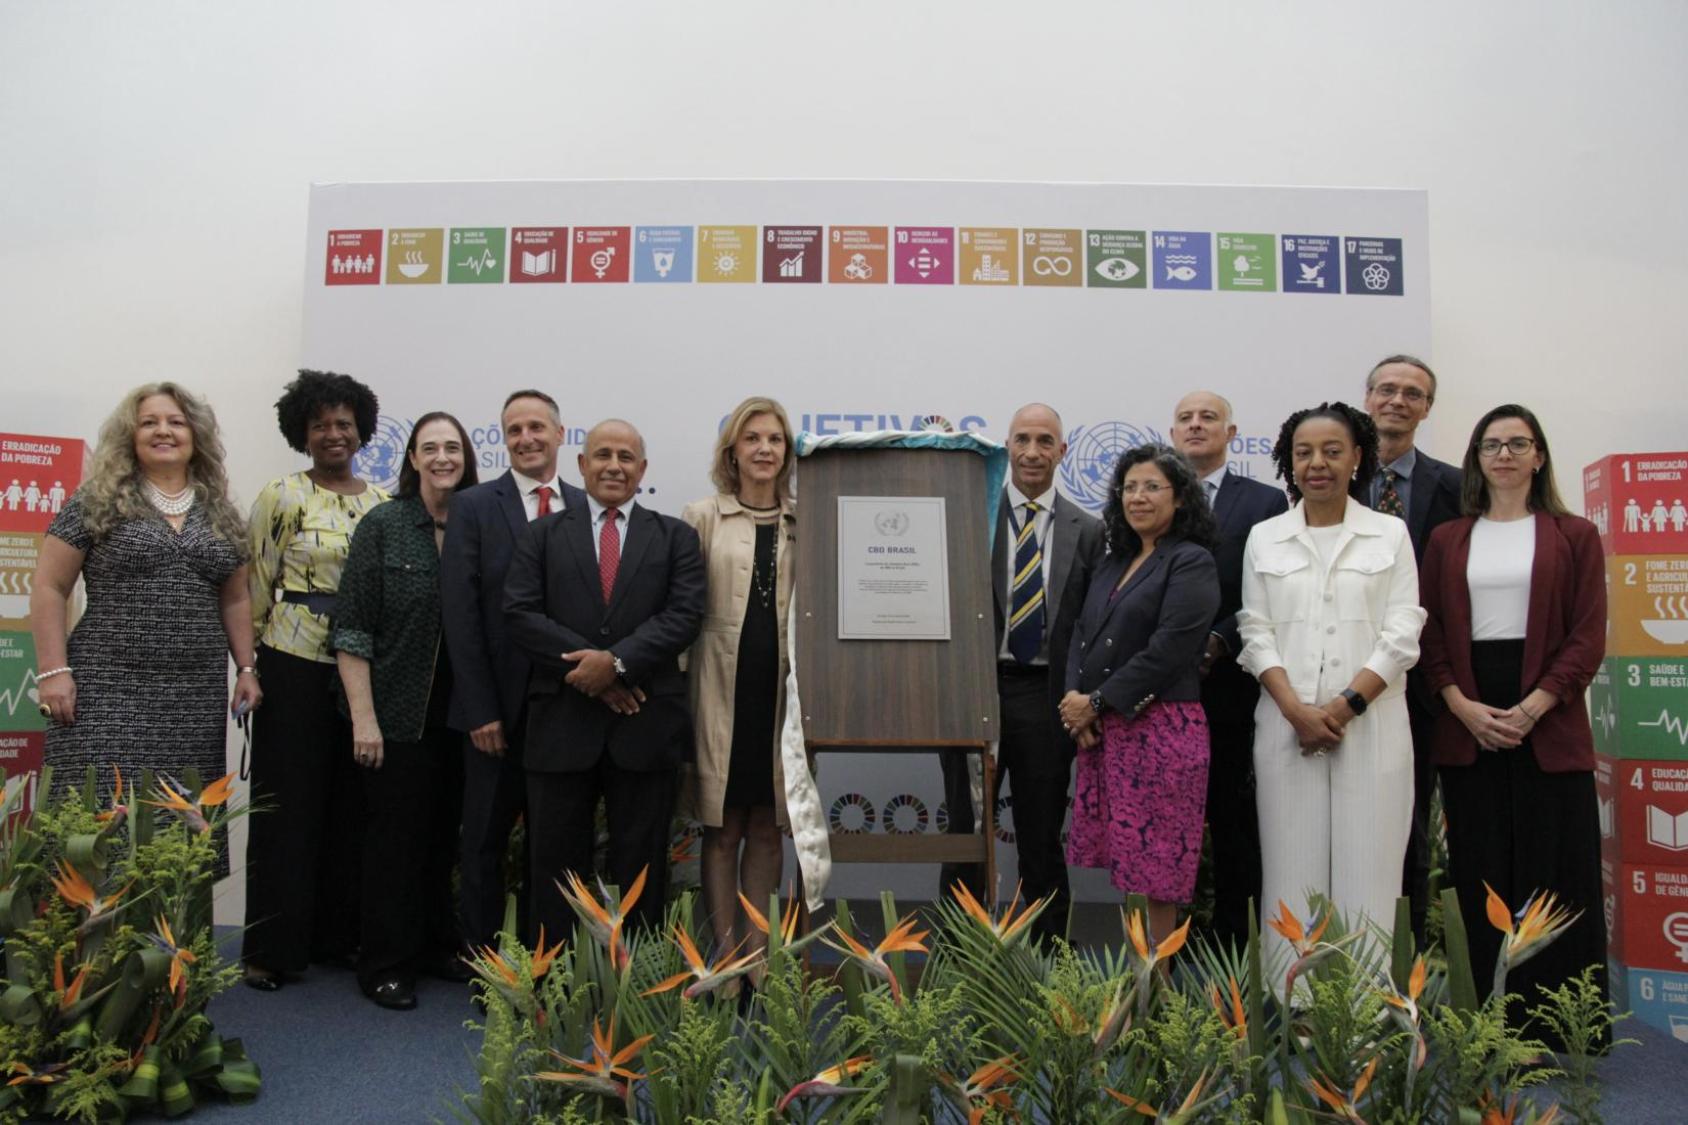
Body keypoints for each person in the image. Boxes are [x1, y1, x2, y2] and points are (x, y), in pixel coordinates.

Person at [1418, 405, 1606, 1031]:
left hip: (1546, 716)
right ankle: (1486, 1022)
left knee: (1558, 871)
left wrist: (1535, 705)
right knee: (1481, 869)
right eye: (1491, 444)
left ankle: (1559, 1024)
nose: (1503, 454)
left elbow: (1586, 636)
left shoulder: (1573, 534)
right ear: (1476, 457)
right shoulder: (1448, 538)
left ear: (1539, 455)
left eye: (1516, 443)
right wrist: (1459, 704)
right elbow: (1431, 633)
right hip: (1469, 717)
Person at [505, 419, 705, 940]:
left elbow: (683, 616)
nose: (613, 465)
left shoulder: (676, 537)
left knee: (643, 869)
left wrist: (613, 662)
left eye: (625, 457)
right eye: (602, 455)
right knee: (554, 868)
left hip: (643, 724)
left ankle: (637, 987)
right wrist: (590, 670)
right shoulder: (541, 535)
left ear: (642, 470)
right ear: (581, 465)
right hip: (561, 726)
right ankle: (551, 989)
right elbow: (520, 614)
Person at [1240, 402, 1425, 963]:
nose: (1316, 463)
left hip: (1372, 727)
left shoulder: (1389, 534)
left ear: (1357, 459)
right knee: (1290, 871)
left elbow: (1402, 632)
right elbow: (1255, 630)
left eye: (1331, 451)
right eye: (1303, 453)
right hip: (1286, 725)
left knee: (1369, 871)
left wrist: (1344, 708)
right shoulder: (1265, 537)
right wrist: (1297, 711)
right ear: (1289, 463)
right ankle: (1292, 1004)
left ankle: (1363, 1013)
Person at [31, 383, 261, 803]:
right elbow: (50, 585)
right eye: (149, 422)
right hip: (104, 689)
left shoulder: (223, 512)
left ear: (196, 436)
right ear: (130, 436)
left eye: (176, 422)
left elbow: (236, 598)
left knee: (179, 829)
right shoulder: (95, 500)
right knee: (99, 815)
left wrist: (246, 668)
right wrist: (52, 672)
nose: (164, 431)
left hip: (194, 697)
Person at [241, 369, 386, 991]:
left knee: (351, 808)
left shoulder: (381, 503)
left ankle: (335, 938)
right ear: (302, 432)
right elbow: (253, 590)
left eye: (344, 424)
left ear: (362, 431)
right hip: (292, 661)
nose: (334, 434)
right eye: (321, 424)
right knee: (287, 808)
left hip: (364, 671)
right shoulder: (281, 494)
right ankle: (271, 948)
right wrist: (249, 668)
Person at [333, 412, 480, 1010]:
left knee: (445, 838)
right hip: (396, 715)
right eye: (430, 448)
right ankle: (386, 964)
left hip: (467, 718)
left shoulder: (482, 526)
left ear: (467, 457)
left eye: (453, 447)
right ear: (413, 459)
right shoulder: (384, 525)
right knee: (395, 843)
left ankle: (434, 944)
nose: (442, 457)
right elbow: (352, 630)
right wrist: (364, 719)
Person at [939, 403, 1101, 943]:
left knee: (1040, 832)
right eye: (1022, 439)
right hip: (973, 689)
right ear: (1007, 446)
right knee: (966, 829)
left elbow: (1091, 624)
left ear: (1062, 450)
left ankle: (1051, 952)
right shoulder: (971, 517)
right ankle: (957, 950)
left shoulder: (1088, 530)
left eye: (1045, 441)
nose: (1033, 451)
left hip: (1046, 695)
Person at [440, 390, 586, 954]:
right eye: (514, 430)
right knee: (482, 841)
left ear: (558, 433)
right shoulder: (474, 506)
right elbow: (461, 613)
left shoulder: (584, 505)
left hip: (566, 709)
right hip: (493, 712)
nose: (526, 439)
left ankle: (546, 960)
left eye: (536, 428)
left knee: (553, 847)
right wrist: (479, 709)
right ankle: (483, 963)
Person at [1059, 444, 1219, 946]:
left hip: (1162, 731)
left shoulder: (1190, 561)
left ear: (1180, 497)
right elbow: (1081, 634)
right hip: (1107, 731)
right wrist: (1075, 703)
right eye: (1129, 487)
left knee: (1157, 871)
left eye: (1152, 487)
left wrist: (1097, 703)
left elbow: (1171, 648)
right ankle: (1136, 982)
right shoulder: (1116, 560)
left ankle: (1157, 987)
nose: (1138, 497)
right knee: (1126, 865)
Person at [680, 397, 805, 971]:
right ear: (733, 449)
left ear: (787, 452)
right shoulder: (701, 516)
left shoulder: (806, 521)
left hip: (780, 697)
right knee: (722, 825)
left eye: (775, 440)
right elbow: (681, 612)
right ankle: (724, 962)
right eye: (752, 438)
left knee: (768, 825)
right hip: (718, 692)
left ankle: (759, 961)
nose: (764, 449)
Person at [1170, 390, 1288, 950]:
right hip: (1162, 688)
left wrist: (1221, 637)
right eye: (1186, 419)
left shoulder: (1264, 503)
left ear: (1231, 433)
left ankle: (1235, 934)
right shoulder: (1150, 495)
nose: (1196, 426)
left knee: (1234, 814)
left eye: (1208, 418)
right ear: (1172, 434)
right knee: (1171, 817)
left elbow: (1270, 589)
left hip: (1233, 686)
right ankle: (1173, 930)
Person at [1362, 355, 1462, 942]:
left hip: (1421, 684)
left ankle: (1404, 945)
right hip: (1330, 676)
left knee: (1410, 821)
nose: (1397, 401)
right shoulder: (1323, 480)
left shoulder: (1454, 487)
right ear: (1368, 397)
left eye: (1412, 393)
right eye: (1387, 389)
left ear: (1427, 408)